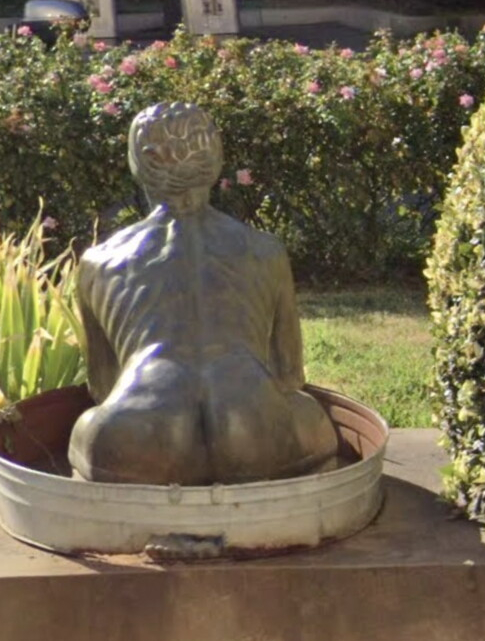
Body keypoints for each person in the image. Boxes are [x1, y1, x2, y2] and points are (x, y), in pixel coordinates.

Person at [68, 101, 340, 486]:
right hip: (257, 434)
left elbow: (103, 386)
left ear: (138, 163)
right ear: (215, 160)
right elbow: (289, 376)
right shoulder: (265, 250)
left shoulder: (98, 262)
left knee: (91, 427)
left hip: (139, 439)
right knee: (306, 411)